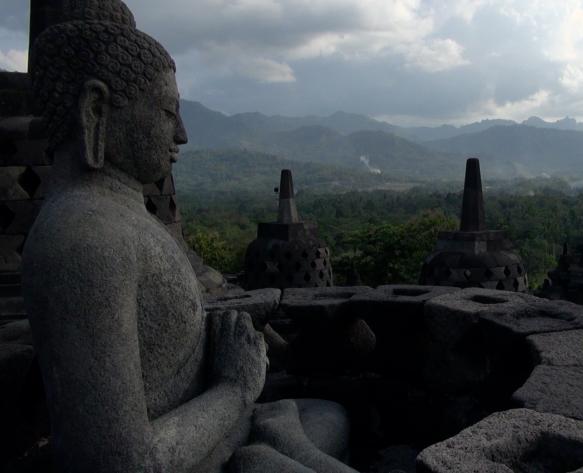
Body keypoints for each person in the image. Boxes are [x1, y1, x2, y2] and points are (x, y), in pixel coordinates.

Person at [22, 1, 353, 471]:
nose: (182, 134)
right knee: (264, 461)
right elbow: (120, 462)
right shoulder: (84, 239)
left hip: (215, 432)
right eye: (165, 111)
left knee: (325, 415)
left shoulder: (118, 215)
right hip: (206, 456)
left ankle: (276, 438)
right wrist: (235, 389)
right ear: (96, 109)